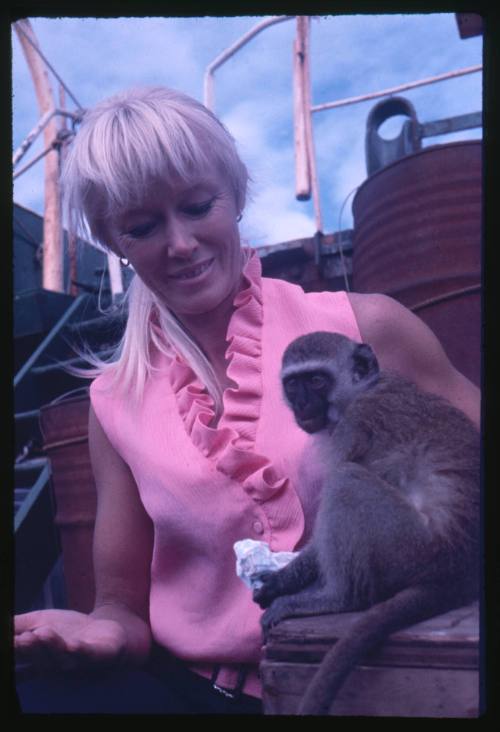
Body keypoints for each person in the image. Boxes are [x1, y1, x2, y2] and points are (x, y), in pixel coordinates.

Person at [14, 86, 480, 714]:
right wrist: (97, 632)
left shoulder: (367, 328)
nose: (180, 244)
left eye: (198, 206)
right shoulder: (112, 401)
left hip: (370, 669)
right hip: (194, 690)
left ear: (234, 197)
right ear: (114, 241)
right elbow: (120, 607)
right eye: (144, 226)